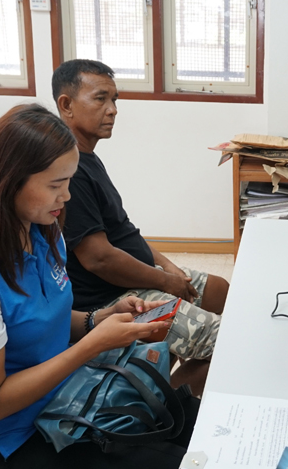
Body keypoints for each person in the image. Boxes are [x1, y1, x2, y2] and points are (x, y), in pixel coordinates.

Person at [0, 104, 186, 469]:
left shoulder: (43, 235)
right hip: (13, 439)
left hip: (65, 398)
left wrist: (100, 319)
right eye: (55, 185)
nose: (66, 197)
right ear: (9, 180)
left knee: (188, 419)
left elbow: (46, 320)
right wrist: (93, 345)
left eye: (69, 181)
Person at [52, 59, 228, 394]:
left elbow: (122, 230)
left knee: (218, 289)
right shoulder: (69, 170)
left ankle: (165, 368)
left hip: (140, 275)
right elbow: (99, 258)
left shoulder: (87, 157)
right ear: (66, 105)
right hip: (114, 295)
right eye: (100, 99)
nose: (113, 109)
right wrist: (164, 282)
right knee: (227, 342)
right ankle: (159, 412)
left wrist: (167, 264)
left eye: (115, 100)